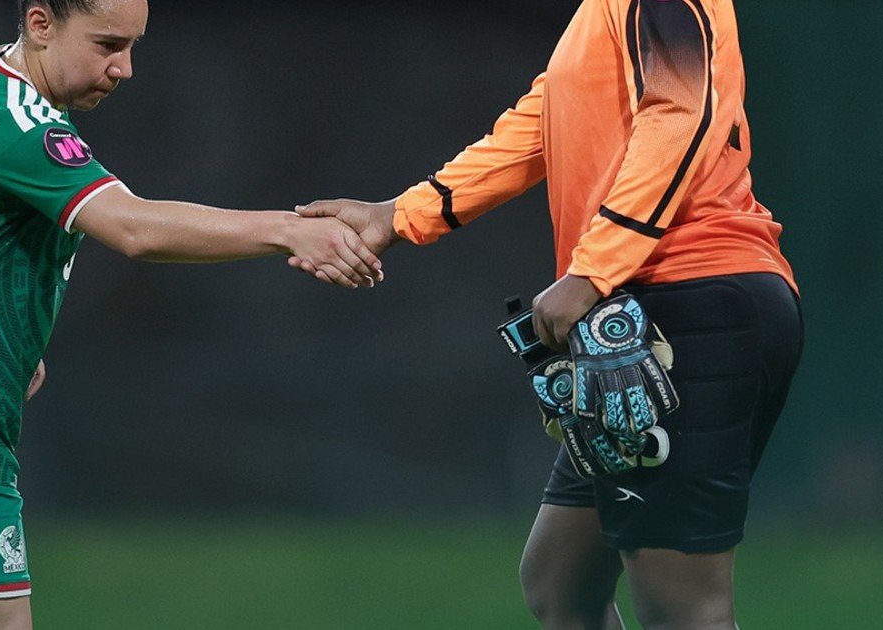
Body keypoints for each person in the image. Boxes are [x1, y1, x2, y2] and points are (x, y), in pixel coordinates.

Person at [0, 1, 384, 628]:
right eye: (106, 45)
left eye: (132, 46)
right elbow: (133, 228)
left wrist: (6, 341)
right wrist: (289, 230)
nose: (124, 68)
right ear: (41, 24)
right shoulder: (16, 121)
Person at [294, 0, 802, 627]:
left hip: (696, 297)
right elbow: (544, 119)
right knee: (560, 583)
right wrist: (400, 215)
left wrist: (592, 271)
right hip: (650, 301)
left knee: (684, 610)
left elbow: (681, 112)